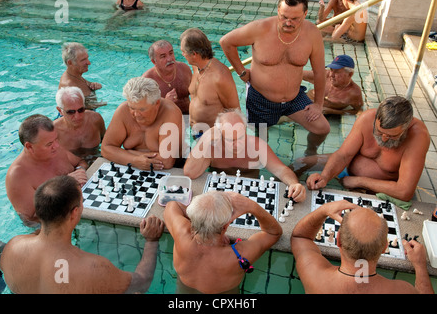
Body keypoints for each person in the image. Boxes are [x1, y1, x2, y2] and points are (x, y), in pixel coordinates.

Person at [0, 175, 164, 294]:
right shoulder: (94, 268)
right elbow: (141, 283)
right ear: (75, 212)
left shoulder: (12, 247)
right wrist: (151, 240)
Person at [220, 0, 330, 156]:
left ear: (305, 14)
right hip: (260, 99)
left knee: (322, 128)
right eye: (284, 17)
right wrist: (241, 71)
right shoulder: (260, 29)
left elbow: (320, 72)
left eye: (295, 19)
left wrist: (318, 104)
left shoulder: (312, 33)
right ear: (278, 10)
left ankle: (310, 152)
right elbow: (226, 42)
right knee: (260, 146)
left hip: (294, 99)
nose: (288, 23)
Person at [291, 200, 435, 294]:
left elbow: (300, 237)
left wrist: (323, 210)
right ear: (385, 247)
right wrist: (420, 266)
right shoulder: (402, 290)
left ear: (338, 240)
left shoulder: (316, 277)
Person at [305, 96, 430, 202]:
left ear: (406, 128)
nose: (384, 139)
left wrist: (359, 181)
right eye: (379, 132)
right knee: (302, 163)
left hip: (378, 192)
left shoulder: (418, 136)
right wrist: (325, 176)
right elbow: (343, 155)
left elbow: (404, 191)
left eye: (392, 136)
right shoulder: (367, 118)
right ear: (375, 119)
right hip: (346, 173)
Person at [164, 191, 282, 294]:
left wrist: (201, 218)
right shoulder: (240, 255)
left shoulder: (182, 234)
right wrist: (252, 206)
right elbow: (273, 233)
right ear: (225, 227)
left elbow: (171, 205)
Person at [184, 109, 306, 202]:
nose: (237, 144)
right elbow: (190, 173)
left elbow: (281, 170)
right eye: (231, 140)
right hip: (219, 194)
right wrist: (205, 138)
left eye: (241, 137)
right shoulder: (211, 148)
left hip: (251, 193)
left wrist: (294, 184)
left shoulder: (257, 146)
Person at [5, 114, 88, 227]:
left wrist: (80, 170)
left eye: (56, 139)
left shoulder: (54, 150)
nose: (57, 146)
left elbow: (81, 162)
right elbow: (32, 220)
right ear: (29, 146)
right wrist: (65, 184)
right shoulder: (18, 176)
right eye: (49, 144)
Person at [101, 77, 183, 171]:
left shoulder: (171, 113)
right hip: (133, 168)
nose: (135, 114)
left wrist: (124, 153)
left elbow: (166, 162)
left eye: (142, 109)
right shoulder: (123, 111)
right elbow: (106, 148)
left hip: (170, 171)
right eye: (132, 108)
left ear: (156, 103)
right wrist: (134, 160)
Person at [180, 28, 240, 138]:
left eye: (183, 51)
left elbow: (235, 113)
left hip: (214, 136)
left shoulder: (220, 76)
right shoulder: (196, 67)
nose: (182, 54)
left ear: (194, 54)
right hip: (196, 131)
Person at [54, 86, 106, 166]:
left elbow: (108, 144)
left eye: (81, 110)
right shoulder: (53, 131)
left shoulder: (95, 119)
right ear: (60, 111)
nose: (77, 116)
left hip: (97, 163)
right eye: (71, 112)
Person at [143, 40, 192, 115]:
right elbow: (145, 113)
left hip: (188, 116)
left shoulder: (184, 69)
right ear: (154, 61)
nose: (169, 59)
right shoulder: (147, 80)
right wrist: (165, 103)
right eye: (163, 56)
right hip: (166, 121)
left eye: (171, 53)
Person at [59, 42, 106, 110]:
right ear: (70, 62)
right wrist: (100, 104)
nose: (89, 63)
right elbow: (76, 112)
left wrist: (94, 85)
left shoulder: (75, 75)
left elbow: (86, 86)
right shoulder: (69, 85)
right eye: (83, 60)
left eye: (87, 58)